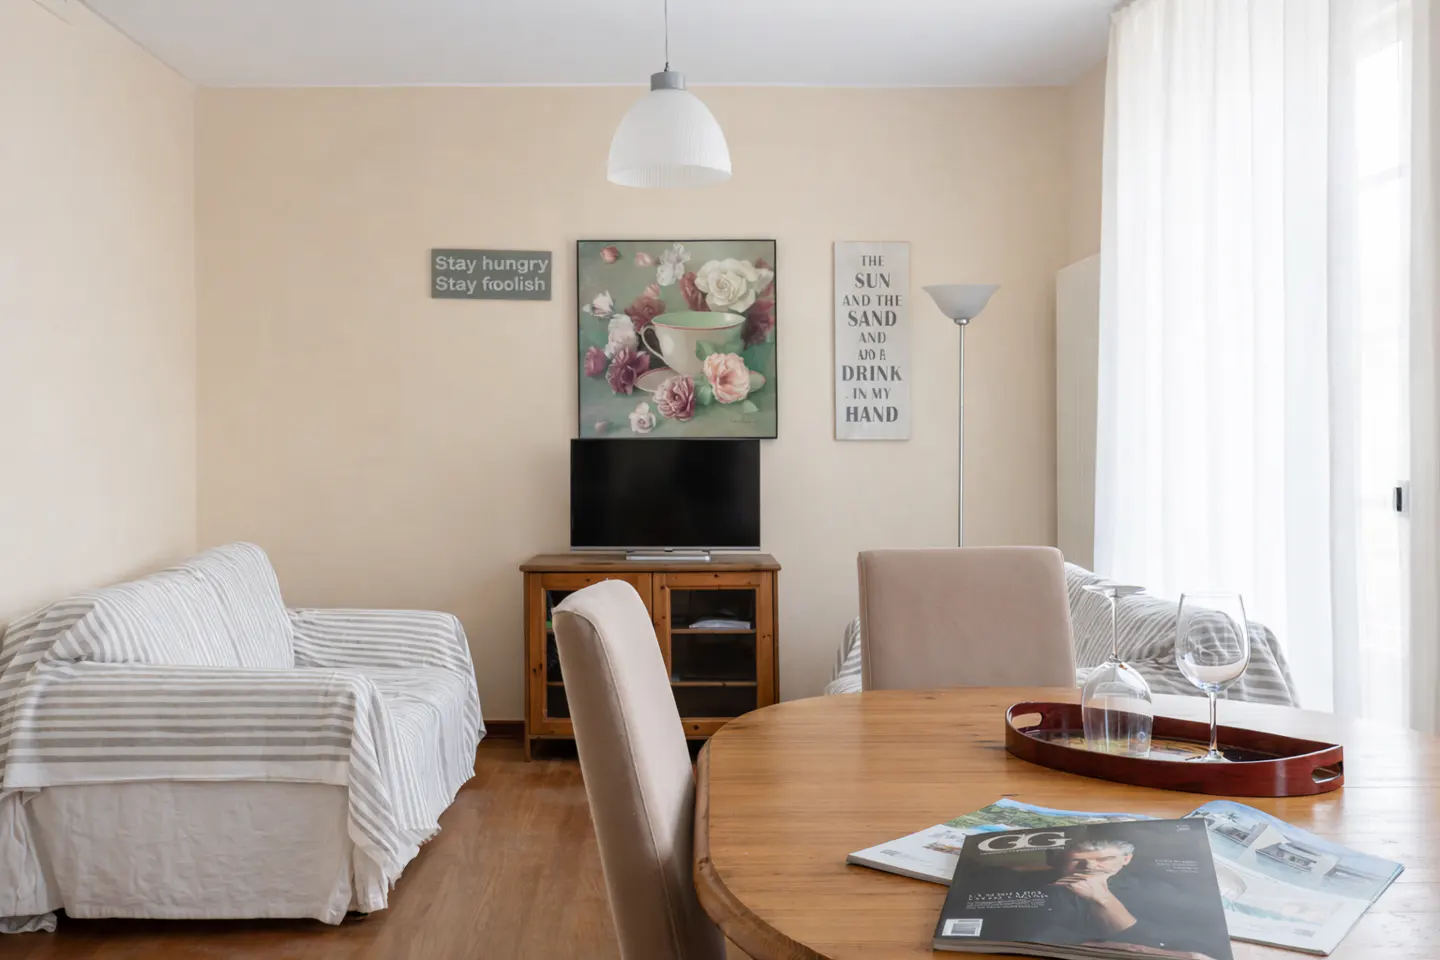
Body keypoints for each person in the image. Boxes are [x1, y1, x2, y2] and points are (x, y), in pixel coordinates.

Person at [1035, 839, 1228, 958]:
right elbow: (1041, 938)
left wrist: (1103, 898)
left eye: (1103, 860)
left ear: (1126, 859)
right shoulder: (1040, 888)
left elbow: (1154, 942)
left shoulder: (1155, 889)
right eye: (1077, 860)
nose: (1089, 867)